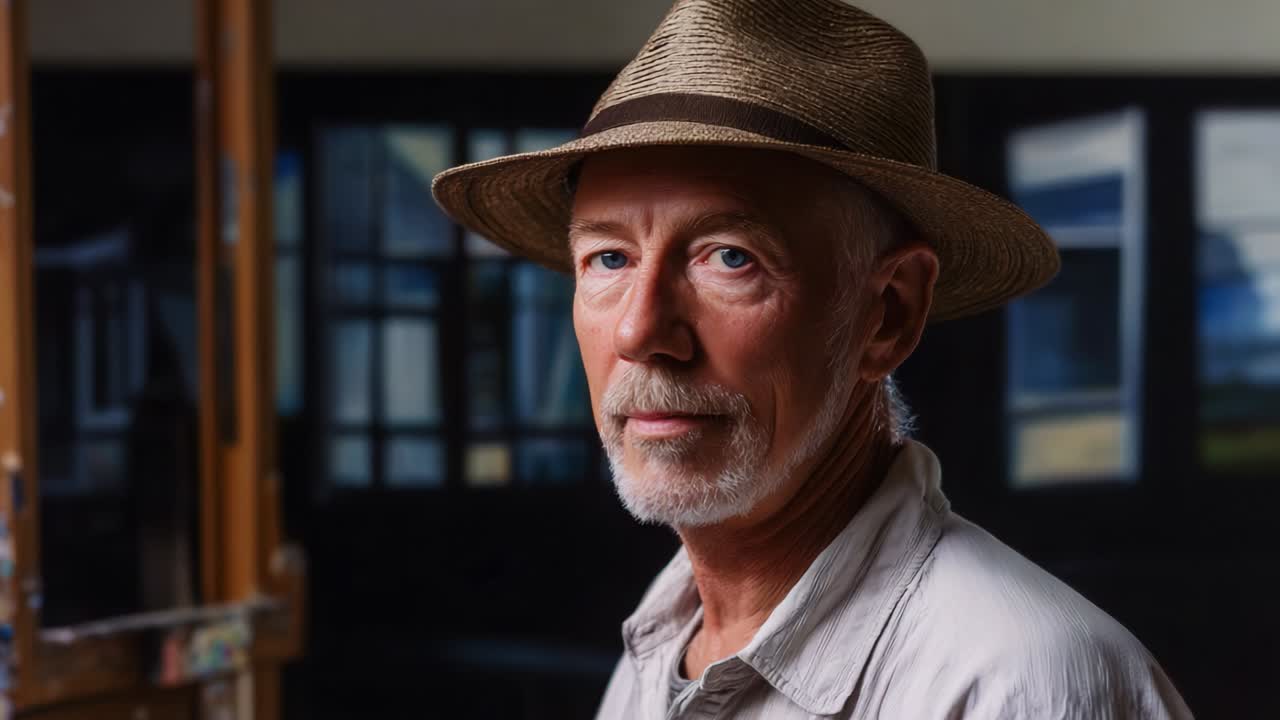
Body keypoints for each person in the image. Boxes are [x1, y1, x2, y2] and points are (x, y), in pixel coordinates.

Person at [432, 0, 1193, 717]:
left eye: (728, 257)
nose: (640, 330)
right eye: (607, 259)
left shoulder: (1017, 682)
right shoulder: (661, 646)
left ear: (888, 313)